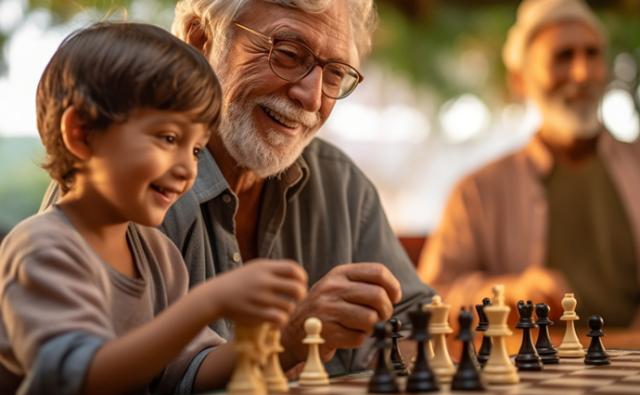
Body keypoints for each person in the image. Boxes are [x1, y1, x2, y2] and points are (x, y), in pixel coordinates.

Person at [2, 22, 308, 395]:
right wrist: (207, 302)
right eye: (168, 138)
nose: (187, 169)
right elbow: (77, 382)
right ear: (82, 134)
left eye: (196, 149)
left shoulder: (158, 255)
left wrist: (290, 342)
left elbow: (189, 370)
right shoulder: (43, 249)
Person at [165, 0, 435, 374]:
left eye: (336, 74)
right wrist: (290, 342)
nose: (311, 97)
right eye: (289, 54)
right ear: (201, 40)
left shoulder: (340, 185)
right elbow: (94, 377)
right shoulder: (125, 185)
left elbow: (418, 328)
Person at [418, 0, 640, 327]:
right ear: (520, 81)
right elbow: (430, 298)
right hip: (529, 371)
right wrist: (507, 292)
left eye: (592, 54)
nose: (582, 73)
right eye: (563, 57)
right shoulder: (478, 192)